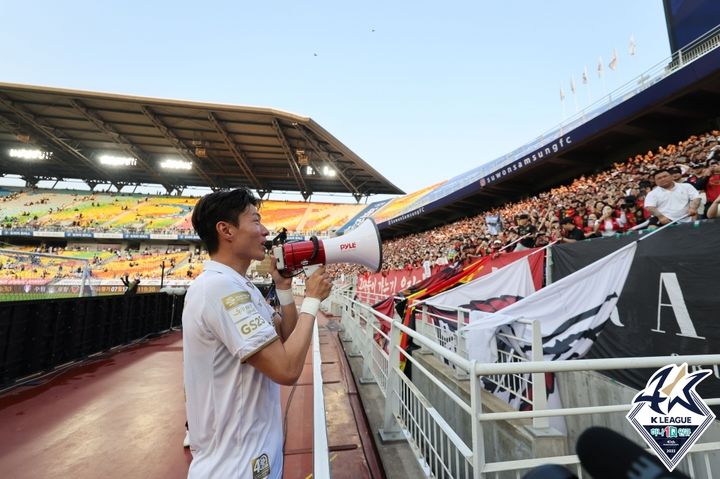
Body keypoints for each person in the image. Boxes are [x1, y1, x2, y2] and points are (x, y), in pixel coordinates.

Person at [182, 188, 332, 479]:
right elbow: (287, 369)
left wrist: (285, 290)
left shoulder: (239, 286)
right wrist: (312, 300)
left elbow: (285, 339)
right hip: (235, 465)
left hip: (251, 455)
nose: (265, 231)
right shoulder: (219, 288)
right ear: (225, 230)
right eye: (256, 221)